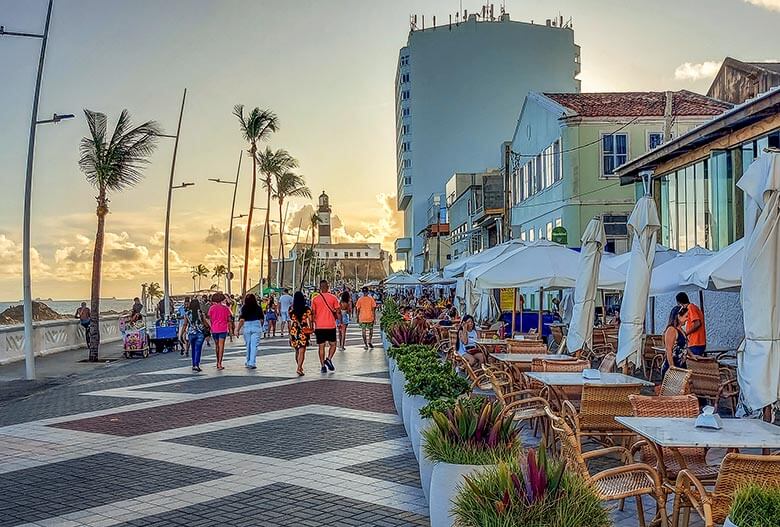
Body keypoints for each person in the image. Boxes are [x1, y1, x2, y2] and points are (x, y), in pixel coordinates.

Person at [311, 279, 341, 373]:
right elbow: (338, 311)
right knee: (333, 344)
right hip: (330, 325)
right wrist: (339, 322)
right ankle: (328, 358)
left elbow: (312, 313)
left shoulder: (315, 299)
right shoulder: (333, 298)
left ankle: (323, 366)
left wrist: (312, 325)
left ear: (320, 288)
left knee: (321, 346)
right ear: (328, 287)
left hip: (319, 326)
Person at [181, 298, 209, 372]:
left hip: (191, 333)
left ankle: (194, 364)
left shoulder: (187, 313)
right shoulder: (200, 313)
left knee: (193, 349)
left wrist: (181, 334)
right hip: (200, 333)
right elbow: (205, 322)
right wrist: (209, 328)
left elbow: (184, 324)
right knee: (198, 349)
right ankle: (197, 365)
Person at [289, 291, 313, 376]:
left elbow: (291, 318)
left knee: (297, 350)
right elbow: (310, 319)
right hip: (303, 329)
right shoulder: (307, 309)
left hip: (294, 330)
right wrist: (311, 328)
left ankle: (299, 366)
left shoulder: (291, 309)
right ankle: (299, 367)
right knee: (302, 350)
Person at [236, 294, 263, 369]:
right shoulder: (258, 307)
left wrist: (237, 329)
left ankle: (248, 361)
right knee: (254, 345)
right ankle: (252, 362)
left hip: (247, 326)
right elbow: (261, 319)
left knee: (248, 345)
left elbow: (242, 320)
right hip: (256, 325)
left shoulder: (244, 308)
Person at [662, 305, 689, 377]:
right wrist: (672, 368)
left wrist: (693, 356)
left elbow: (684, 346)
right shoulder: (671, 330)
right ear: (678, 316)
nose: (688, 319)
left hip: (681, 366)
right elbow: (669, 350)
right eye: (686, 316)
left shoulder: (681, 330)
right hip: (673, 366)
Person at [208, 292, 231, 370]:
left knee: (217, 346)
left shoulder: (211, 308)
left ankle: (217, 360)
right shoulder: (225, 308)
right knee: (221, 346)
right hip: (223, 329)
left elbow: (210, 319)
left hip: (214, 329)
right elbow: (228, 319)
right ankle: (219, 363)